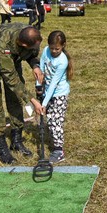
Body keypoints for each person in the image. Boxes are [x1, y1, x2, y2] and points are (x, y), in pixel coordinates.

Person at [0, 23, 44, 164]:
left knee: (15, 97)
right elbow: (11, 78)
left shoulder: (30, 34)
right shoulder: (4, 44)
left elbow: (31, 53)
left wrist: (35, 65)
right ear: (23, 43)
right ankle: (1, 145)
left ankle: (16, 141)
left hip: (12, 57)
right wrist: (32, 100)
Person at [39, 30, 72, 164]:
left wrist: (44, 102)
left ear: (63, 46)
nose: (53, 51)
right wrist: (38, 87)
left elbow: (53, 83)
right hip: (47, 91)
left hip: (59, 93)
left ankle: (59, 150)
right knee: (50, 118)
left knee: (55, 121)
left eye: (57, 49)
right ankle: (55, 142)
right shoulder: (46, 50)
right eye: (52, 48)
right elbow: (41, 68)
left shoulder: (62, 61)